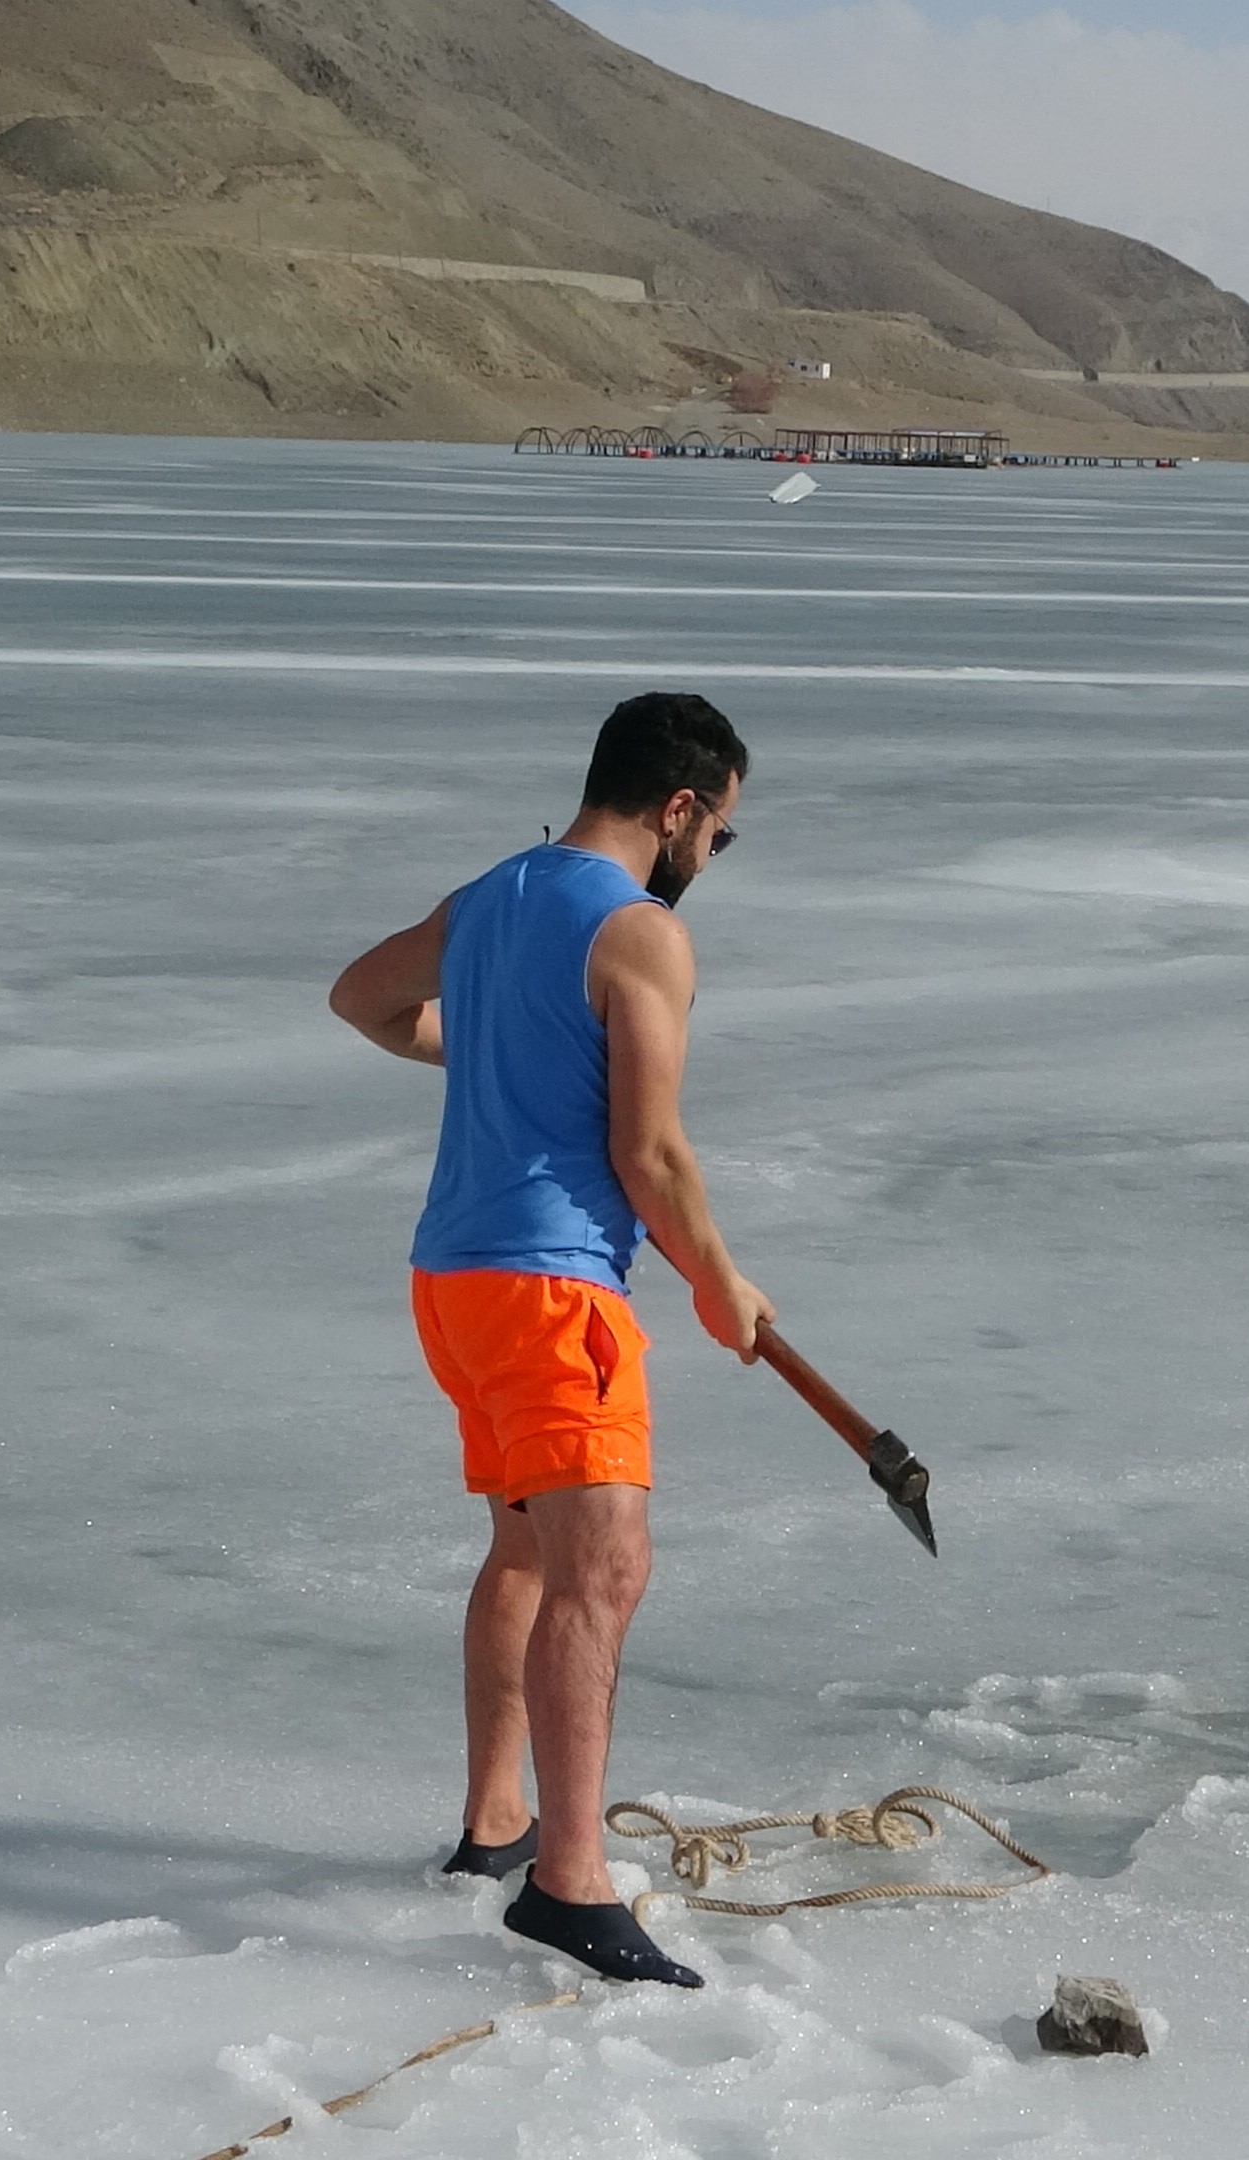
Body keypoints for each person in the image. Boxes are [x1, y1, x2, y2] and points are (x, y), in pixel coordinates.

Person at [325, 691, 774, 1988]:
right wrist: (720, 1281)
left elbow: (362, 998)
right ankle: (570, 1883)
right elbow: (649, 1152)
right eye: (721, 836)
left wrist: (494, 1057)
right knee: (604, 1570)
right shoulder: (639, 936)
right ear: (679, 808)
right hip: (551, 1290)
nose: (712, 863)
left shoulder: (491, 896)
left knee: (525, 1549)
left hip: (452, 1282)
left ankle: (497, 1824)